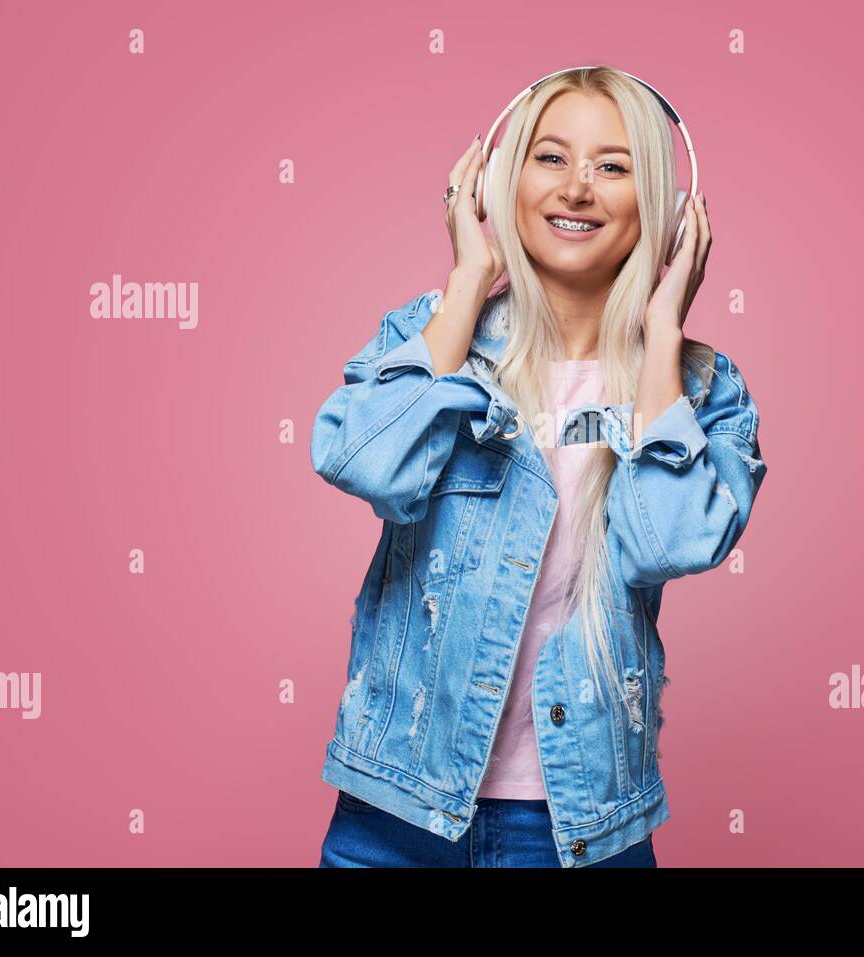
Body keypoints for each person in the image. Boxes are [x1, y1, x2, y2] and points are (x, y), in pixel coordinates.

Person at [311, 65, 767, 867]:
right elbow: (365, 463)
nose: (579, 189)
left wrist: (663, 335)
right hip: (396, 814)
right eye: (551, 158)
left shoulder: (700, 389)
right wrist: (464, 281)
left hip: (579, 828)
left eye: (614, 166)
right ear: (498, 180)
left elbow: (666, 543)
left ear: (664, 208)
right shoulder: (433, 336)